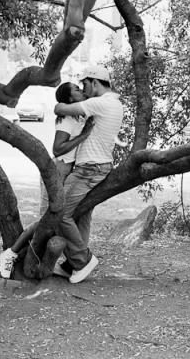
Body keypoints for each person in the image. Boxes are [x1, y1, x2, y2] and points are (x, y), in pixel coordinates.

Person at [0, 82, 93, 278]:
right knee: (47, 220)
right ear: (69, 99)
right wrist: (84, 136)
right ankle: (11, 254)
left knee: (60, 218)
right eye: (76, 89)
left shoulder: (77, 115)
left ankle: (69, 262)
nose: (81, 90)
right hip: (58, 170)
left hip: (67, 170)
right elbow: (57, 148)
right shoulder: (67, 120)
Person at [52, 65, 124, 283]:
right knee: (81, 216)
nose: (83, 88)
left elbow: (60, 109)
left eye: (84, 84)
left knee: (59, 213)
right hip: (97, 167)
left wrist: (60, 103)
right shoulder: (115, 103)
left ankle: (83, 259)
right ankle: (71, 264)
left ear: (94, 82)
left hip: (89, 169)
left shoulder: (99, 103)